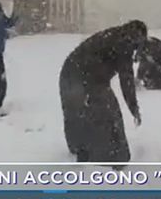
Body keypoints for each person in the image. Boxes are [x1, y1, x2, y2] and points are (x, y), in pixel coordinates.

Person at [58, 20, 148, 167]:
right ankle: (112, 156)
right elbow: (126, 80)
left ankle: (81, 148)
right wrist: (134, 108)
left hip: (69, 72)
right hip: (88, 77)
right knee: (108, 115)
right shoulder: (125, 43)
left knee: (76, 111)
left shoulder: (116, 35)